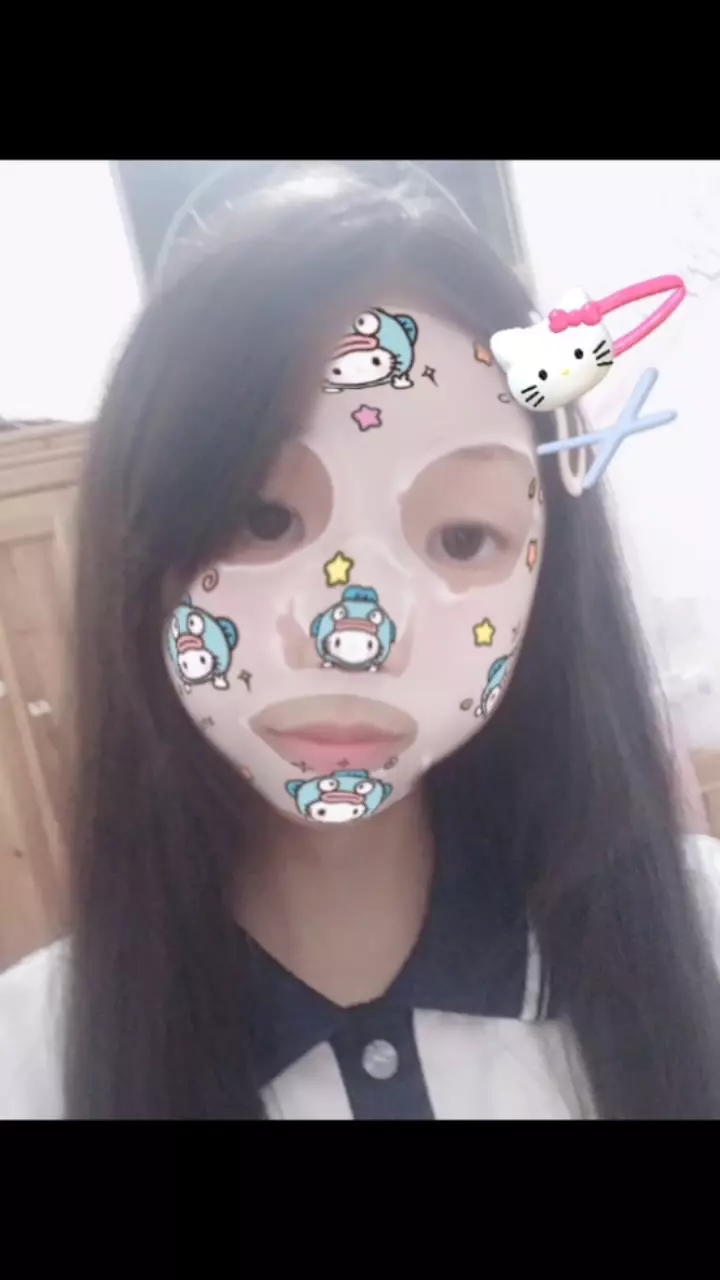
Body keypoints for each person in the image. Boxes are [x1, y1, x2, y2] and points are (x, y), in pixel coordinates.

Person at [1, 164, 719, 1120]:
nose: (353, 640)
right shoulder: (30, 1064)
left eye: (462, 538)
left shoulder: (699, 934)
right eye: (264, 519)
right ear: (141, 547)